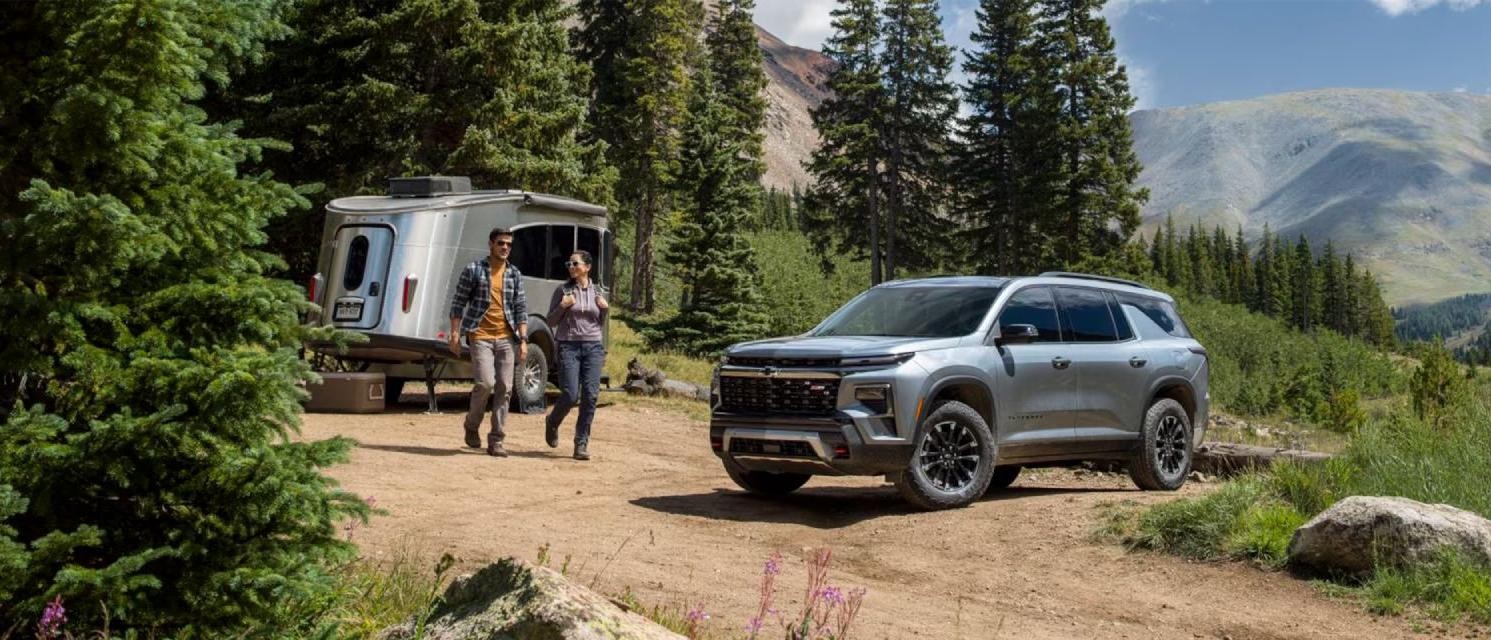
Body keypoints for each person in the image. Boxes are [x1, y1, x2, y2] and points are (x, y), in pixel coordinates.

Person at [448, 228, 528, 457]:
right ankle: (472, 425)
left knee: (506, 387)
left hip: (506, 338)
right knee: (485, 383)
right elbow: (458, 302)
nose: (505, 248)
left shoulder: (514, 274)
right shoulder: (474, 270)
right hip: (480, 335)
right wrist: (455, 333)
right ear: (491, 244)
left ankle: (496, 440)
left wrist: (523, 340)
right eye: (501, 243)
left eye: (509, 245)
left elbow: (521, 309)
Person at [543, 250, 608, 460]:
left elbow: (599, 322)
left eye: (575, 263)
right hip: (568, 346)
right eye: (569, 264)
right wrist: (562, 306)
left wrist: (605, 310)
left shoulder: (598, 291)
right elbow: (550, 322)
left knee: (591, 396)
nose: (571, 267)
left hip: (593, 347)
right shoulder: (562, 290)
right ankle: (552, 421)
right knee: (571, 395)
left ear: (587, 267)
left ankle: (581, 443)